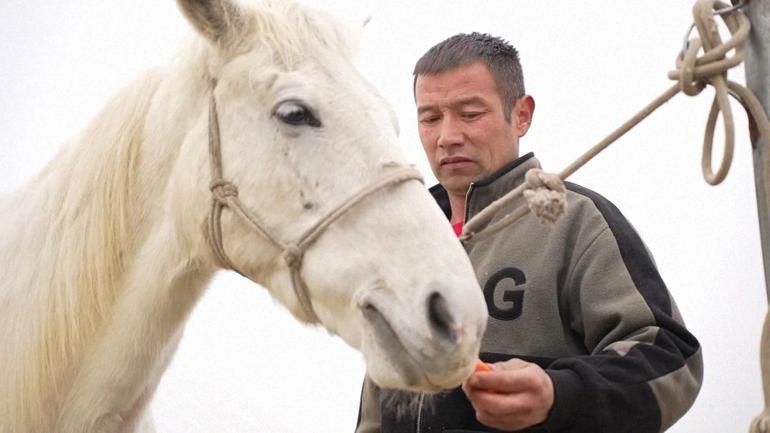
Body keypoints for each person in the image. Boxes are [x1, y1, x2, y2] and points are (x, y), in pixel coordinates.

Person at [355, 32, 703, 433]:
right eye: (430, 117)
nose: (447, 136)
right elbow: (377, 404)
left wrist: (559, 394)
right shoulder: (404, 244)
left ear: (521, 114)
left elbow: (673, 362)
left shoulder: (577, 221)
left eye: (469, 113)